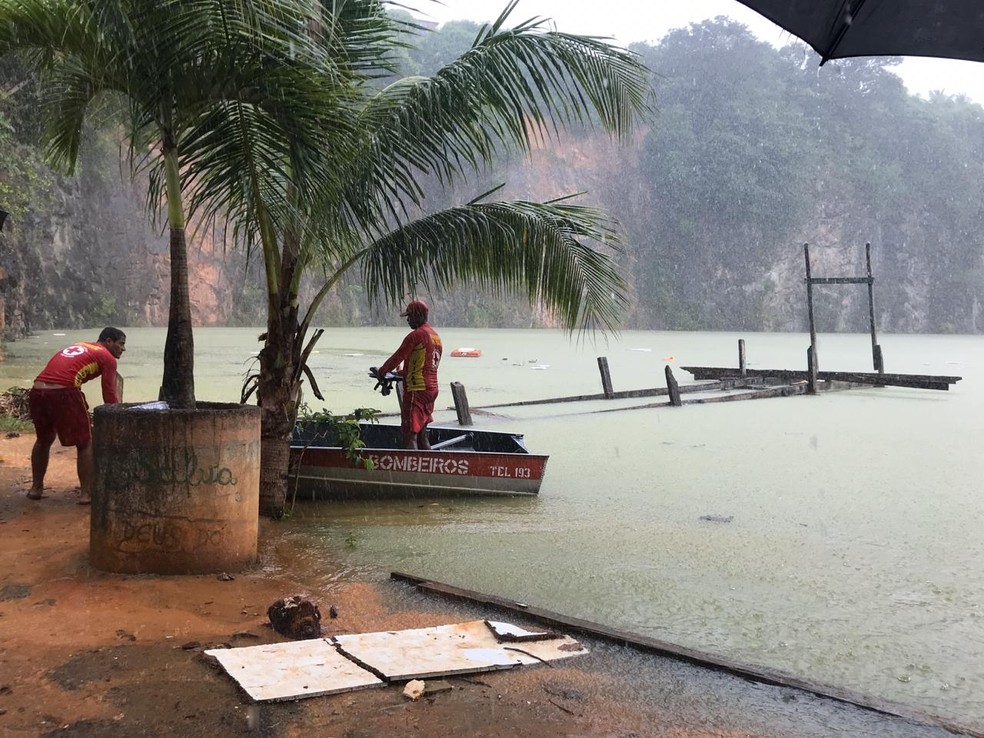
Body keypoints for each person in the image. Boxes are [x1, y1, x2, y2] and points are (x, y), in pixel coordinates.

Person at [27, 327, 127, 504]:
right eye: (121, 344)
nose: (123, 349)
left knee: (44, 439)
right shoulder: (107, 357)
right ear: (109, 342)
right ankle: (86, 494)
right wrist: (117, 419)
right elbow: (109, 394)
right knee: (85, 442)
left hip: (37, 390)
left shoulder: (82, 345)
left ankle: (36, 489)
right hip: (63, 391)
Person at [377, 300, 442, 449]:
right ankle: (428, 467)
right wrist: (399, 373)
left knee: (410, 434)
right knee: (422, 434)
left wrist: (382, 371)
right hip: (431, 390)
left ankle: (410, 469)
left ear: (418, 316)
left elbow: (397, 357)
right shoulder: (435, 336)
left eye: (410, 316)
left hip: (416, 390)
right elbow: (424, 365)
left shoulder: (416, 335)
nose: (408, 320)